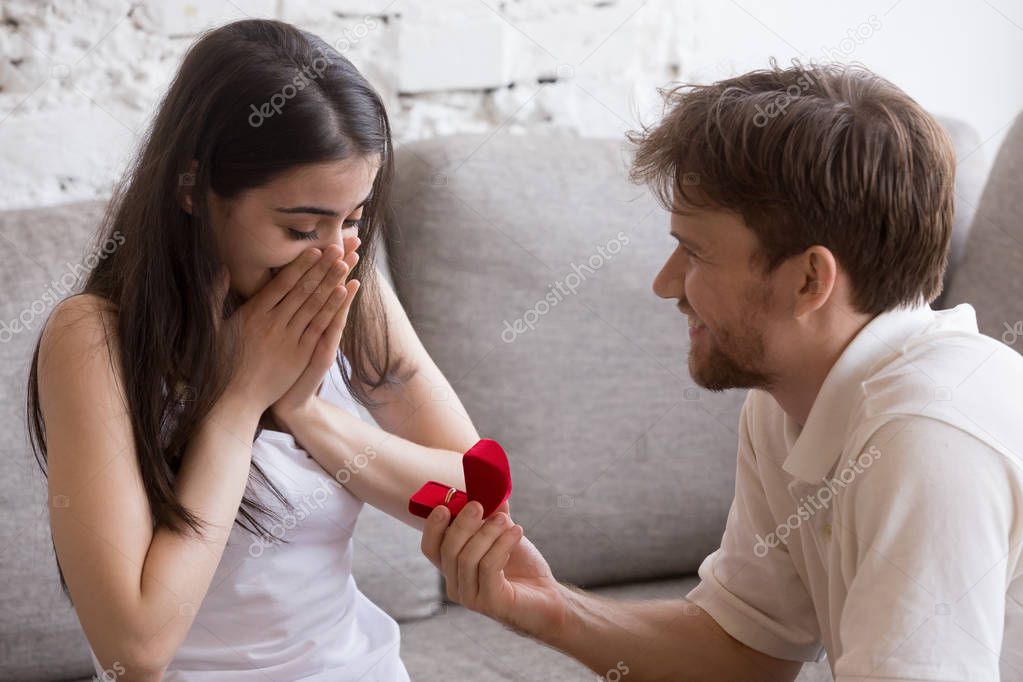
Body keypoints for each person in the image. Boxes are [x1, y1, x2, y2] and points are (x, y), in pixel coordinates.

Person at [421, 62, 1023, 681]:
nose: (665, 284)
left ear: (810, 280)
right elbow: (744, 652)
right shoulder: (791, 400)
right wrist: (550, 610)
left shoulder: (931, 435)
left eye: (695, 253)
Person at [29, 18, 481, 681]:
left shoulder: (350, 290)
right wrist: (237, 404)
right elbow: (137, 650)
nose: (335, 255)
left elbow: (478, 492)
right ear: (191, 190)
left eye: (353, 219)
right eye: (301, 226)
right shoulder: (92, 339)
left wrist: (305, 413)